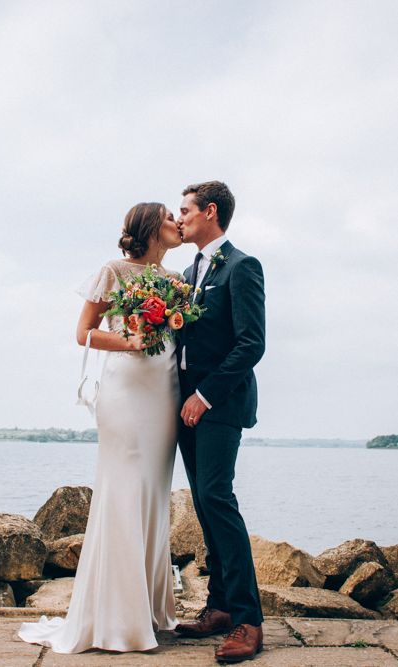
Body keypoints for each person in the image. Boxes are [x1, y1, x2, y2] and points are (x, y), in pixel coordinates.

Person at [18, 202, 183, 653]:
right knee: (124, 490)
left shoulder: (178, 283)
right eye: (170, 217)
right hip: (126, 393)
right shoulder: (113, 270)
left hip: (164, 393)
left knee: (152, 493)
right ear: (151, 227)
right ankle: (116, 617)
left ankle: (148, 610)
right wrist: (128, 340)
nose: (177, 224)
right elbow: (84, 332)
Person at [174, 181, 266, 663]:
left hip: (220, 404)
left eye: (185, 210)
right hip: (185, 408)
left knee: (216, 498)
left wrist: (205, 396)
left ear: (210, 212)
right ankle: (220, 607)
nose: (179, 217)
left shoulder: (242, 266)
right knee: (205, 506)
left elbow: (251, 343)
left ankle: (249, 620)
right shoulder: (188, 271)